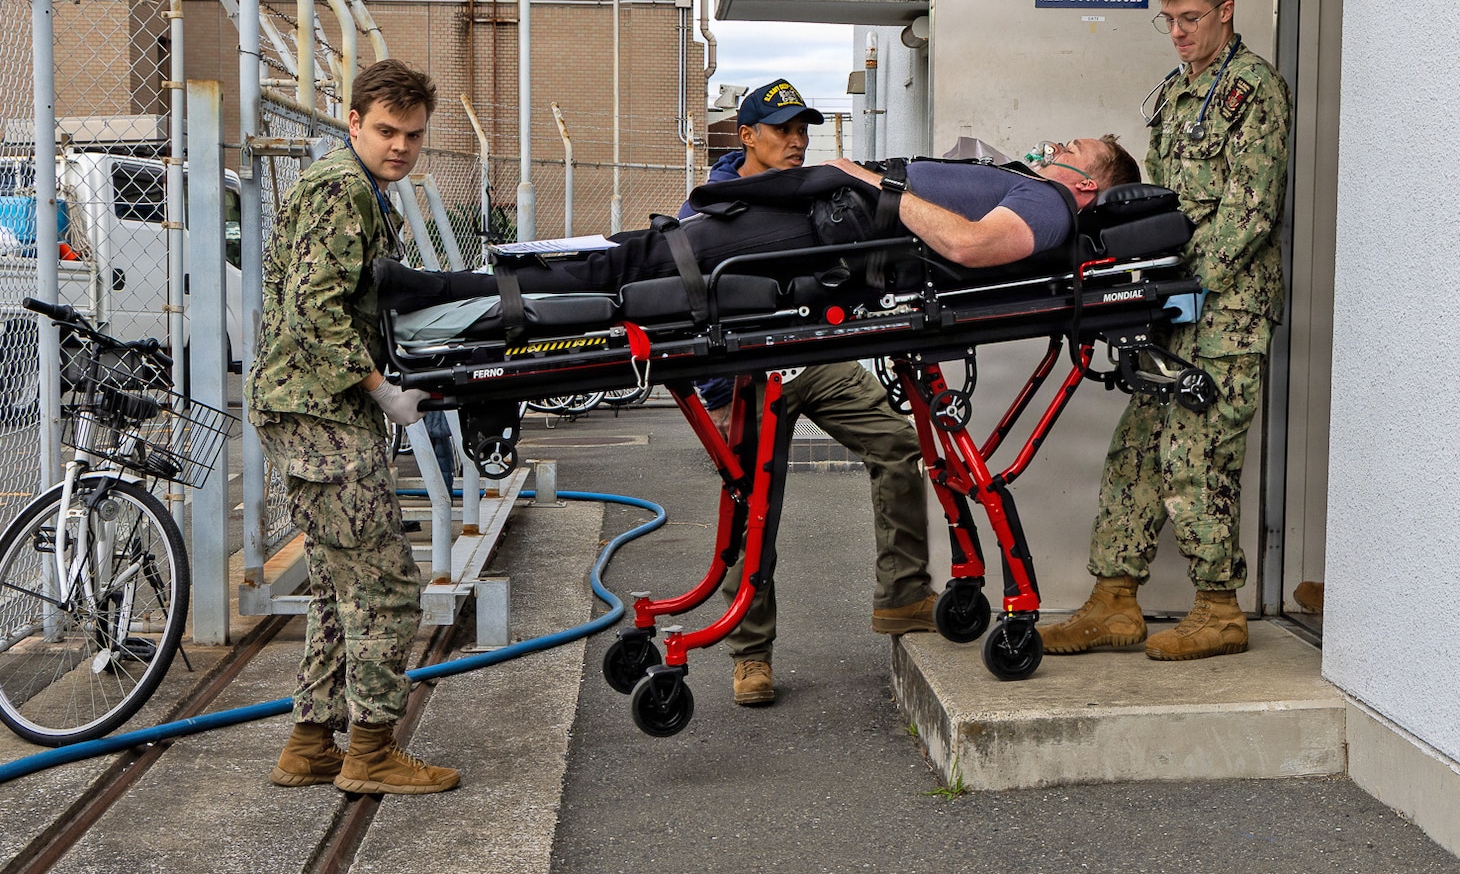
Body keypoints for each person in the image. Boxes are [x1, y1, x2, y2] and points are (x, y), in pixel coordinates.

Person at [1039, 0, 1291, 662]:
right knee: (1136, 451)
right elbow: (1165, 204)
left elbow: (1251, 213)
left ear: (1225, 12)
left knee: (1197, 453)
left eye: (1190, 18)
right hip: (1175, 307)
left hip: (1229, 312)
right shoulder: (1177, 92)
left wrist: (1176, 283)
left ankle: (1218, 608)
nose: (1178, 32)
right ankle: (1113, 602)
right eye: (1169, 20)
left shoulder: (1255, 91)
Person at [684, 78, 937, 707]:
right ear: (746, 136)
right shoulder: (706, 206)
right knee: (752, 506)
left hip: (811, 358)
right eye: (782, 130)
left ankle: (903, 596)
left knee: (898, 444)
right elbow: (687, 308)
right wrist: (717, 393)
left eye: (804, 129)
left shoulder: (812, 191)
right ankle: (750, 656)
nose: (797, 141)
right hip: (741, 373)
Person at [246, 59, 461, 794]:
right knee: (389, 585)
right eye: (386, 131)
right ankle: (370, 753)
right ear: (354, 123)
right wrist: (383, 391)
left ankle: (309, 745)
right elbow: (314, 312)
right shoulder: (342, 189)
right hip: (321, 413)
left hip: (312, 410)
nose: (400, 146)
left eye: (413, 135)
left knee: (344, 585)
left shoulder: (359, 186)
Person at [371, 133, 1141, 313]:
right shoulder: (1032, 186)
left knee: (644, 261)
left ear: (1089, 183)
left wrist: (865, 183)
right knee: (639, 255)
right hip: (828, 220)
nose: (1061, 144)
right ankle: (454, 286)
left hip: (831, 230)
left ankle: (443, 291)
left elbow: (974, 247)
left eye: (1079, 146)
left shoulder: (1046, 202)